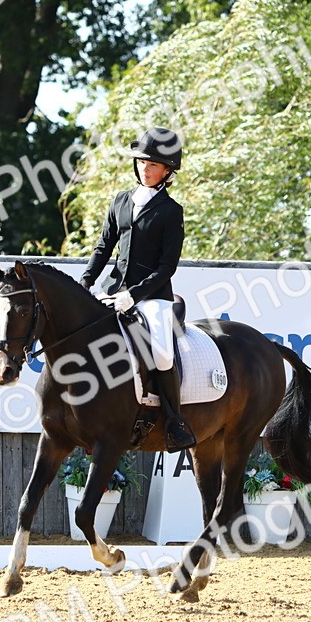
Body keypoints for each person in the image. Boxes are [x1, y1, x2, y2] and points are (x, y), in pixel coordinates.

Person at [80, 127, 196, 452]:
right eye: (142, 161)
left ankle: (174, 421)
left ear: (167, 172)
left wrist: (134, 295)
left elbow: (167, 267)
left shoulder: (171, 212)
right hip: (112, 288)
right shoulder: (121, 200)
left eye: (154, 164)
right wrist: (85, 283)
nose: (145, 168)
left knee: (160, 352)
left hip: (151, 296)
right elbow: (103, 248)